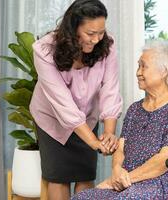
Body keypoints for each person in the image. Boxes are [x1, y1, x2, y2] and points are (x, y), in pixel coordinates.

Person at [71, 39, 168, 200]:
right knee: (82, 198)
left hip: (162, 183)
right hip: (127, 181)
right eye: (138, 66)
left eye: (144, 66)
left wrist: (124, 179)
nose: (138, 72)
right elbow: (120, 149)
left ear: (164, 71)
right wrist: (116, 171)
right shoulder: (135, 109)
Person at [29, 0, 122, 199]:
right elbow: (62, 102)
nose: (96, 39)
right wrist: (94, 142)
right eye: (90, 33)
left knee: (84, 174)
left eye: (101, 32)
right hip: (52, 119)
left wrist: (108, 132)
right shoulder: (44, 49)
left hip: (88, 116)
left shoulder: (108, 46)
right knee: (58, 176)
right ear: (73, 28)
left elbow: (110, 88)